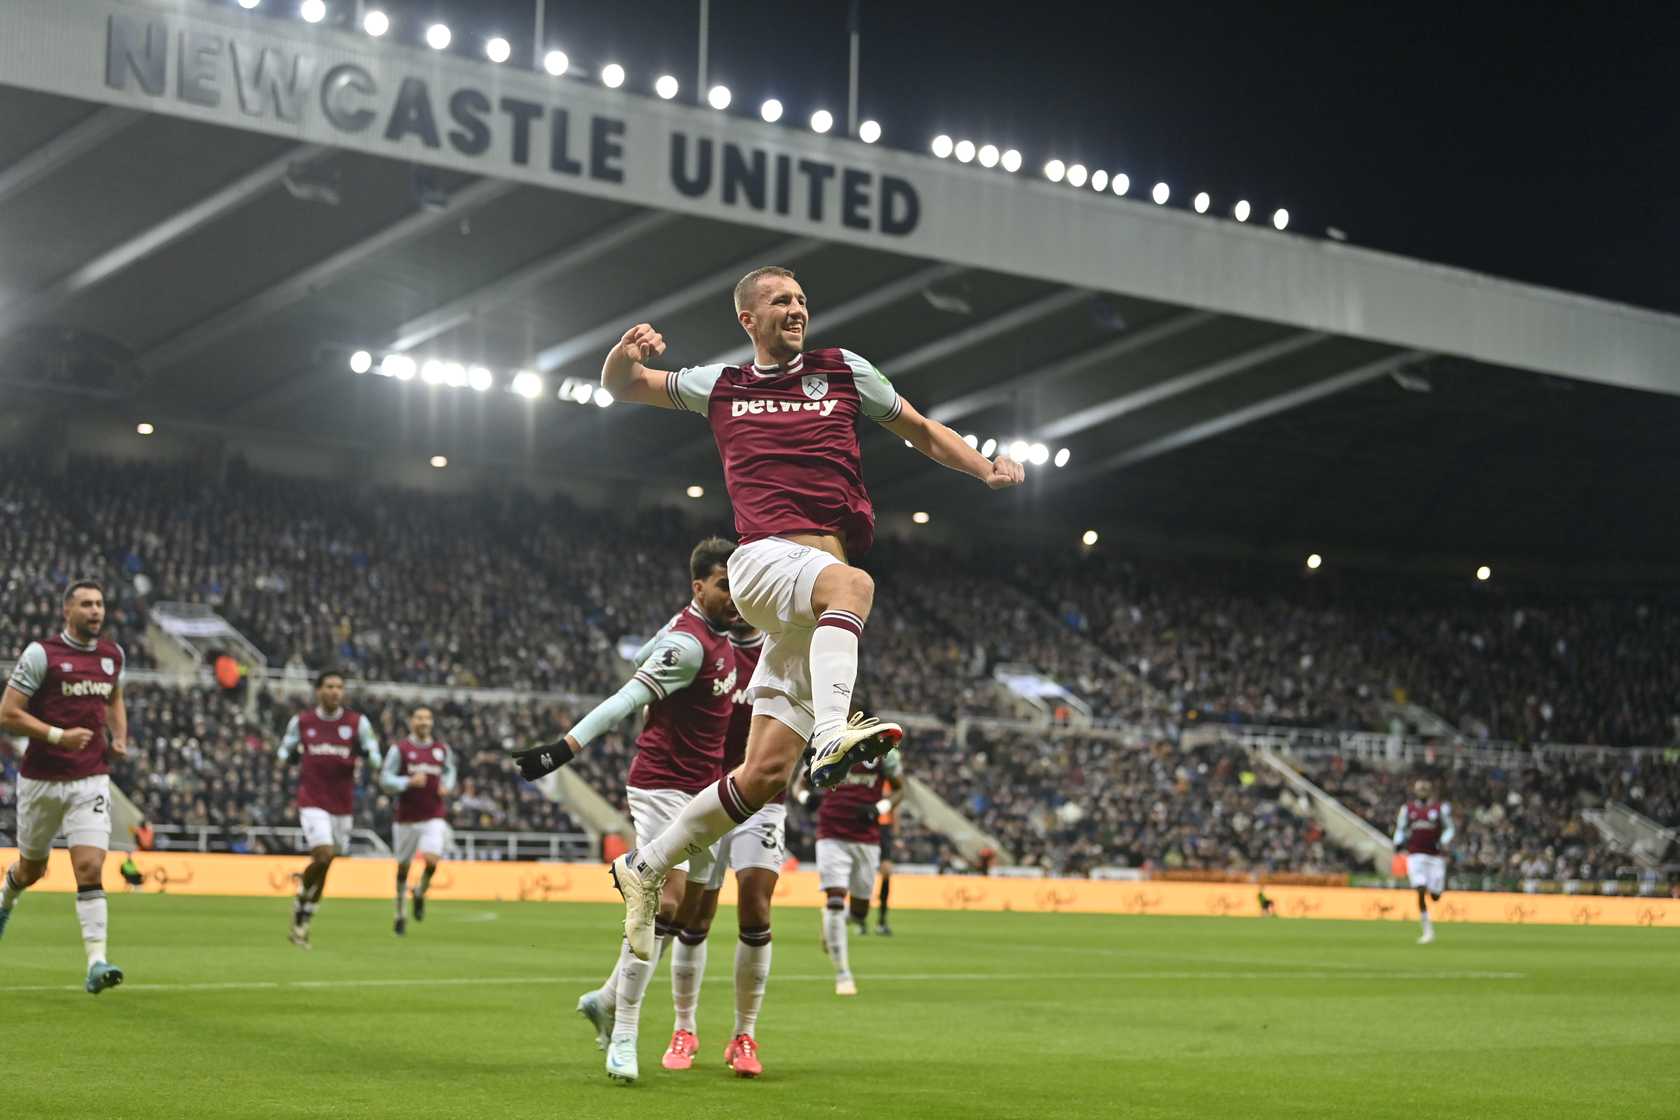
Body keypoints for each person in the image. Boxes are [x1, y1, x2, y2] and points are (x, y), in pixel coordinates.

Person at [594, 265, 1025, 961]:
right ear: (748, 319)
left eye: (800, 299)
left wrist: (984, 468)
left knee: (763, 775)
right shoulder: (722, 385)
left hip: (807, 588)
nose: (796, 309)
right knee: (854, 588)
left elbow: (917, 428)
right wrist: (625, 354)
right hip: (765, 561)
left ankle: (643, 866)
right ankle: (832, 733)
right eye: (779, 301)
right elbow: (624, 387)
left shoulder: (845, 370)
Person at [520, 539, 740, 1084]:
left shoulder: (715, 636)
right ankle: (625, 1036)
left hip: (703, 791)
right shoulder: (691, 646)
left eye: (738, 584)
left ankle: (606, 997)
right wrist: (564, 748)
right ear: (699, 588)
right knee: (663, 898)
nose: (734, 595)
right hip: (661, 787)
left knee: (684, 914)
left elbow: (642, 652)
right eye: (723, 585)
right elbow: (627, 695)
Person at [659, 620, 778, 1078]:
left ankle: (744, 1034)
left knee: (756, 908)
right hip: (706, 791)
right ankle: (684, 1027)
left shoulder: (784, 650)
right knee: (694, 916)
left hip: (764, 800)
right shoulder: (707, 649)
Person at [0, 579, 129, 994]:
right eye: (87, 604)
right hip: (40, 780)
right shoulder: (42, 655)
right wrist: (58, 736)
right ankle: (7, 895)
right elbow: (7, 714)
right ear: (67, 611)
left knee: (90, 867)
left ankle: (96, 963)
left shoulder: (112, 656)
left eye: (100, 603)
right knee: (32, 869)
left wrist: (120, 737)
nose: (96, 611)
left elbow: (113, 699)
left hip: (90, 778)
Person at [276, 670, 382, 948]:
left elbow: (375, 755)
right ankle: (301, 896)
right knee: (322, 855)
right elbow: (283, 752)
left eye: (339, 687)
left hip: (342, 805)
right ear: (319, 691)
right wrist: (291, 755)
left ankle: (304, 918)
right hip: (312, 799)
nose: (335, 691)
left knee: (328, 863)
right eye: (330, 686)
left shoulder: (357, 723)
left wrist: (368, 755)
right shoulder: (303, 722)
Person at [791, 743, 905, 996]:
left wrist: (879, 808)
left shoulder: (884, 751)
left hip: (866, 839)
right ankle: (843, 974)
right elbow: (799, 785)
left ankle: (834, 921)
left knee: (860, 912)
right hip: (831, 835)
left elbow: (900, 790)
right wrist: (806, 798)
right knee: (834, 899)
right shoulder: (826, 746)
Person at [381, 706, 456, 936]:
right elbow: (385, 779)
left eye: (428, 718)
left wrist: (447, 785)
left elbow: (451, 771)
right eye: (419, 718)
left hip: (433, 814)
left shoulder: (441, 749)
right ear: (411, 721)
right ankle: (400, 913)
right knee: (403, 867)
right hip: (406, 818)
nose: (424, 722)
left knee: (432, 860)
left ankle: (420, 891)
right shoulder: (400, 749)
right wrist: (407, 782)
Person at [1393, 778, 1455, 944]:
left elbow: (1450, 828)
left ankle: (1436, 889)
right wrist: (1398, 843)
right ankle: (1428, 932)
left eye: (1424, 788)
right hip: (1415, 855)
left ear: (1429, 790)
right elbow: (1401, 828)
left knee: (1435, 896)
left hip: (1435, 857)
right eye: (1419, 788)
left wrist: (1444, 840)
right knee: (1420, 889)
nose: (1422, 791)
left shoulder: (1439, 809)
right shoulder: (1408, 809)